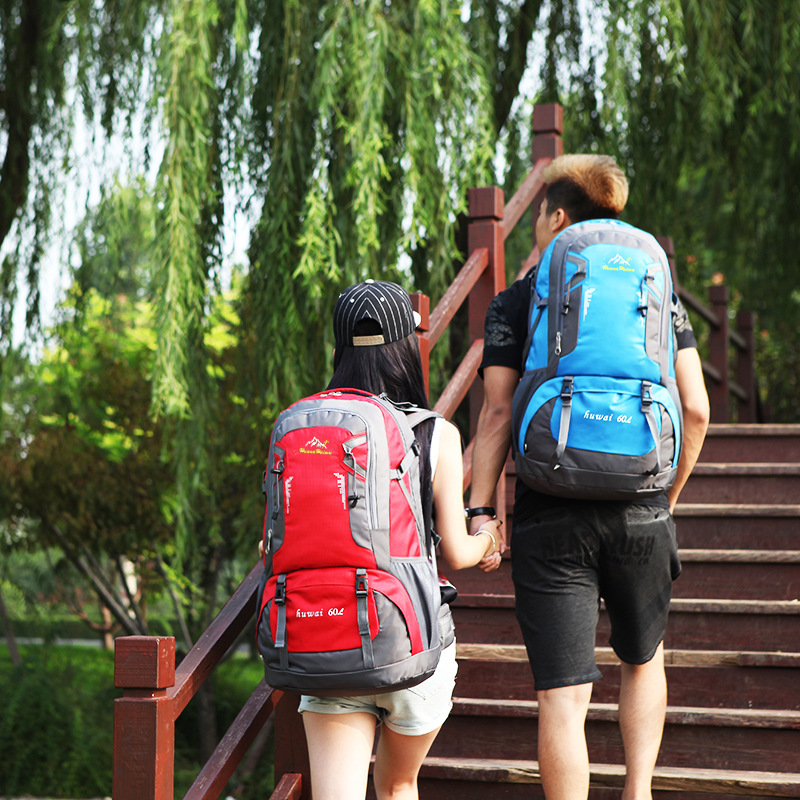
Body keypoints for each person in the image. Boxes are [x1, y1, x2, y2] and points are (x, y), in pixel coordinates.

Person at [467, 155, 710, 800]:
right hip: (641, 503)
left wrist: (482, 511)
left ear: (557, 217)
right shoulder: (657, 290)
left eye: (537, 219)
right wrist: (665, 496)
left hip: (550, 506)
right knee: (643, 660)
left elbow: (496, 413)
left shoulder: (517, 299)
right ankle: (638, 792)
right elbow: (696, 408)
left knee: (563, 695)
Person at [295, 279, 503, 800]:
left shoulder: (305, 429)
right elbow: (456, 554)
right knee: (397, 785)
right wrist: (488, 537)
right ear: (406, 347)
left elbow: (272, 548)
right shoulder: (435, 432)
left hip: (327, 638)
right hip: (412, 643)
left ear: (340, 348)